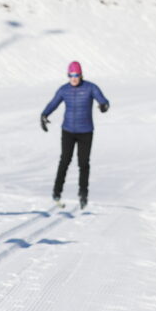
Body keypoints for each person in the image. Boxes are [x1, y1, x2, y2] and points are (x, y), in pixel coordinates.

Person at [40, 60, 110, 209]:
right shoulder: (64, 90)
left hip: (86, 131)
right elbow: (53, 103)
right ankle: (56, 191)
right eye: (71, 75)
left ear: (81, 75)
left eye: (76, 75)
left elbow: (103, 100)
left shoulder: (90, 87)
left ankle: (83, 193)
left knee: (83, 163)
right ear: (68, 75)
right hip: (68, 131)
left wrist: (104, 105)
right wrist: (44, 115)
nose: (74, 78)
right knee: (65, 160)